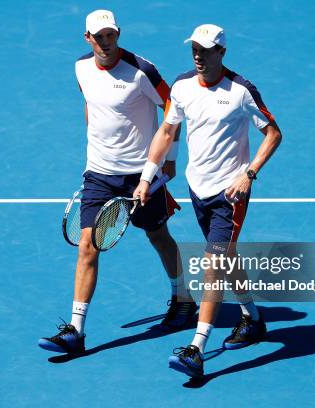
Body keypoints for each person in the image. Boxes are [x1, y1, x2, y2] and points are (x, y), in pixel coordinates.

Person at [38, 10, 197, 355]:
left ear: (118, 34)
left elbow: (174, 106)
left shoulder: (142, 71)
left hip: (141, 173)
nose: (106, 42)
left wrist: (167, 161)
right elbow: (90, 104)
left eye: (111, 35)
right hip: (97, 173)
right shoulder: (81, 68)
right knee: (87, 246)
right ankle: (75, 331)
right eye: (99, 37)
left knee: (157, 235)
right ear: (88, 39)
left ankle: (183, 298)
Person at [135, 24, 282, 377]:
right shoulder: (183, 86)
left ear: (222, 52)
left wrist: (248, 174)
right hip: (197, 189)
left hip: (229, 195)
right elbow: (167, 131)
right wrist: (146, 176)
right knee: (226, 259)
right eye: (195, 50)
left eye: (206, 50)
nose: (199, 56)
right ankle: (254, 319)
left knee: (213, 264)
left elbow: (274, 133)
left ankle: (196, 348)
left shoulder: (241, 91)